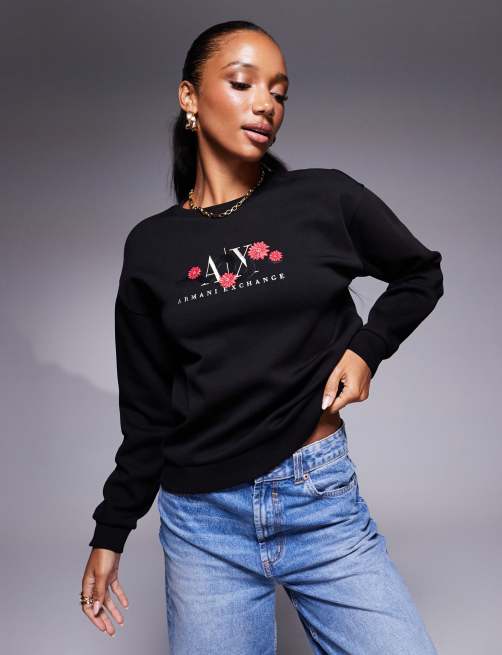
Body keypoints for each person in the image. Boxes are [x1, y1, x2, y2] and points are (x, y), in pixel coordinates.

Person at [80, 20, 443, 654]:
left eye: (278, 93)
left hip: (317, 500)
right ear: (189, 97)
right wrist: (110, 533)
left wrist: (366, 350)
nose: (266, 105)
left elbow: (420, 273)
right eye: (243, 83)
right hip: (202, 525)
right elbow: (146, 413)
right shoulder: (151, 247)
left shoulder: (324, 198)